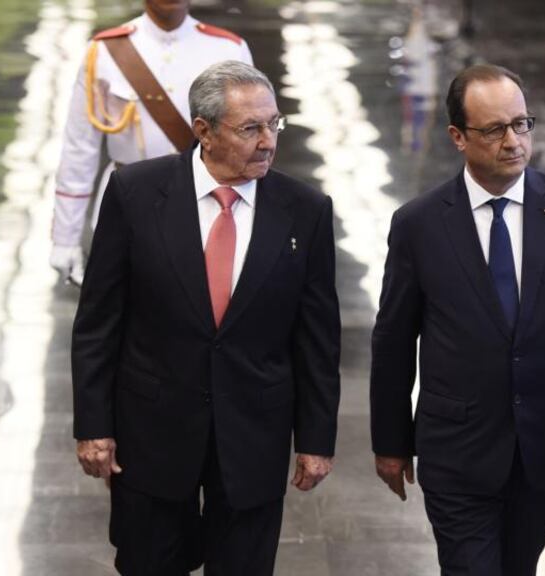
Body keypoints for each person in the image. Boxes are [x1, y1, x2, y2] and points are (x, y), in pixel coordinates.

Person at [370, 64, 545, 575]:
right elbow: (394, 340)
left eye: (521, 124)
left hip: (543, 445)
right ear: (458, 136)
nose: (513, 141)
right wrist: (390, 441)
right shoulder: (419, 224)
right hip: (457, 450)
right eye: (495, 129)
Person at [71, 61, 340, 575]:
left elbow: (317, 339)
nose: (267, 142)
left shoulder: (306, 210)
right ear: (203, 131)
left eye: (273, 124)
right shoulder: (135, 194)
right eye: (250, 128)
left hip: (253, 437)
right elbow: (98, 323)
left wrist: (315, 440)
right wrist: (93, 426)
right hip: (151, 437)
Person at [50, 0, 253, 284]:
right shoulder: (105, 51)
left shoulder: (229, 50)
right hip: (125, 209)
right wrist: (64, 238)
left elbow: (249, 146)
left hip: (205, 210)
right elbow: (79, 148)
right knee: (122, 318)